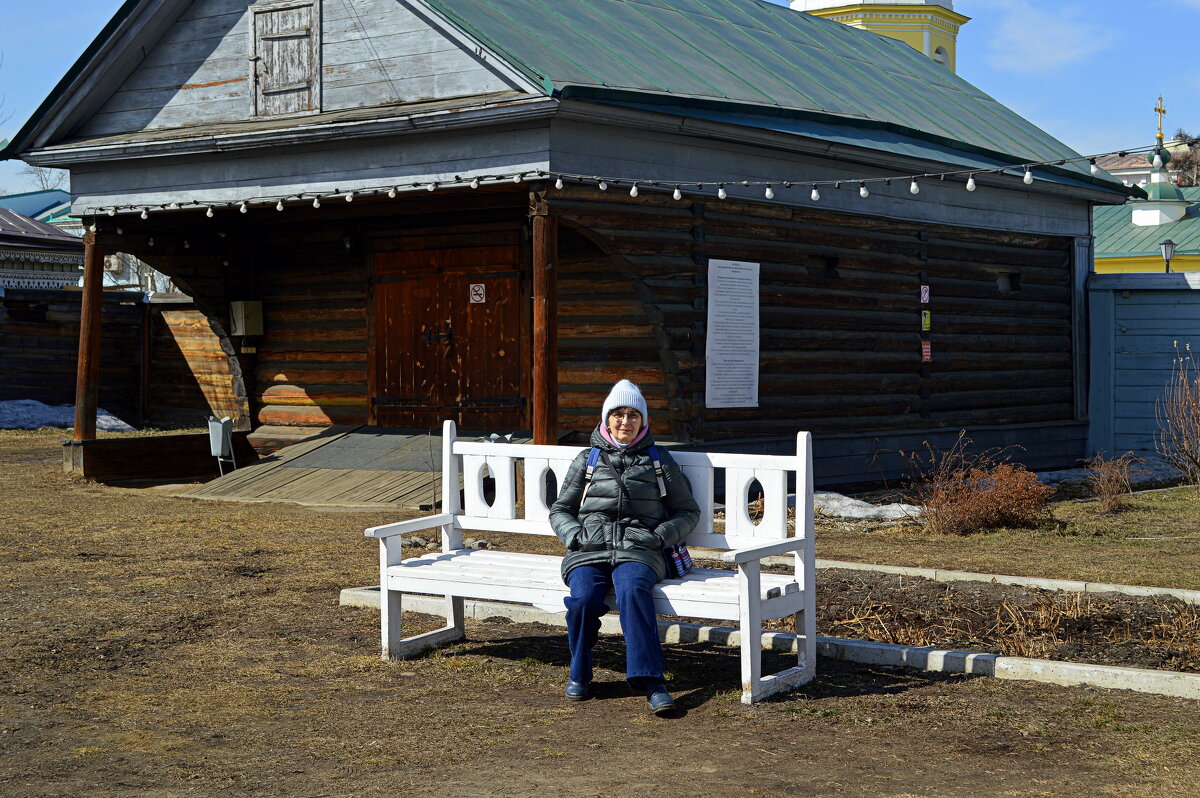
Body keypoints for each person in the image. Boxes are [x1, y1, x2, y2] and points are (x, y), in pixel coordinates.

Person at [549, 379, 700, 715]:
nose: (625, 422)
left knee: (632, 589)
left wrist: (658, 537)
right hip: (589, 547)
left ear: (643, 421)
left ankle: (651, 681)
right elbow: (561, 508)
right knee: (584, 598)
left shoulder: (658, 459)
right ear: (606, 419)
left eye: (633, 415)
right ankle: (580, 672)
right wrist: (574, 536)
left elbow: (688, 511)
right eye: (618, 414)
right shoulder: (587, 459)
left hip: (640, 548)